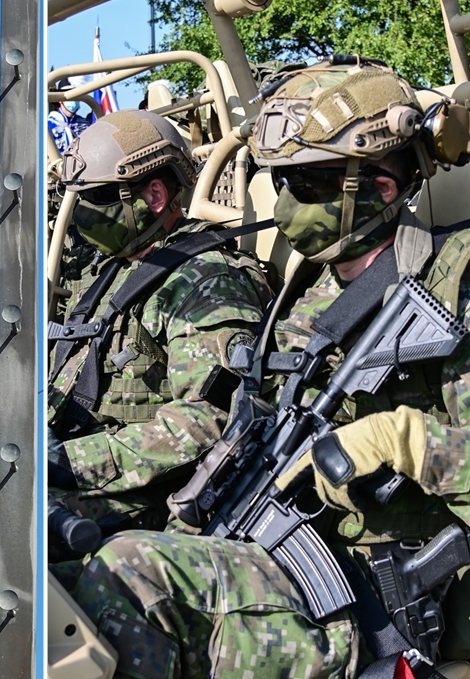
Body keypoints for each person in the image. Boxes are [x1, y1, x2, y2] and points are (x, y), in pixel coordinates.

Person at [72, 59, 470, 678]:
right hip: (296, 565)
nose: (283, 205)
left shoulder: (453, 283)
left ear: (381, 188)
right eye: (277, 182)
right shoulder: (307, 293)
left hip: (385, 604)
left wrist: (404, 441)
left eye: (305, 185)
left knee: (130, 573)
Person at [48, 109, 271, 552]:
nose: (83, 210)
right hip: (81, 467)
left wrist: (68, 462)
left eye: (99, 196)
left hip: (145, 498)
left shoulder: (204, 281)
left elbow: (211, 419)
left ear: (152, 195)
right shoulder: (114, 269)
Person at [48, 81, 92, 151]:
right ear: (60, 100)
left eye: (76, 97)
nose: (74, 100)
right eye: (70, 97)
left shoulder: (87, 124)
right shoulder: (48, 124)